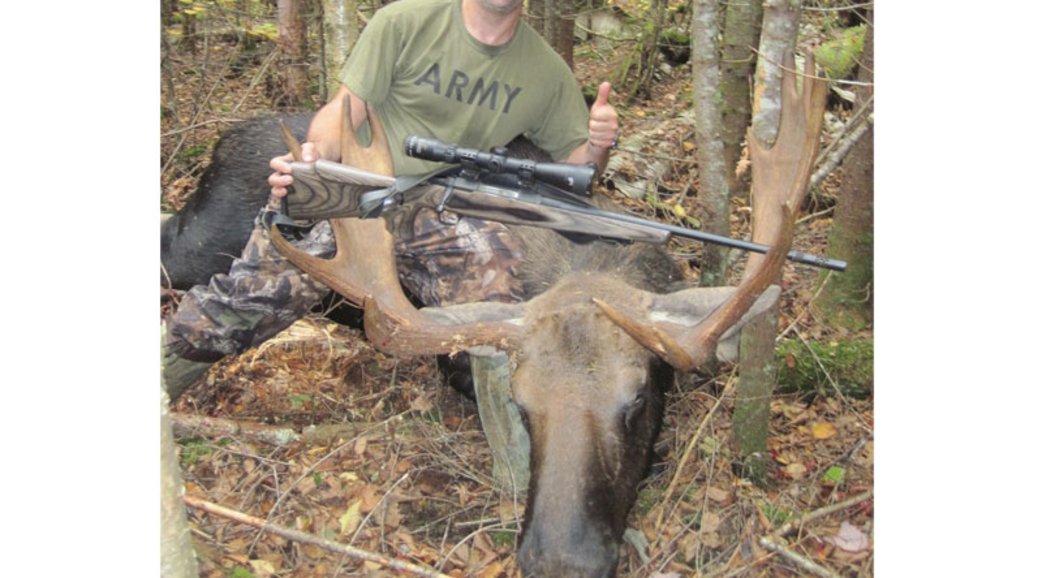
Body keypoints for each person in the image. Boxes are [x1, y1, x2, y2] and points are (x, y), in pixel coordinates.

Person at [162, 0, 619, 399]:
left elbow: (577, 171)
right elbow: (344, 111)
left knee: (494, 318)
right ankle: (161, 373)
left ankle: (507, 425)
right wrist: (313, 159)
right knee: (249, 303)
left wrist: (599, 144)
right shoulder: (405, 23)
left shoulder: (546, 71)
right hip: (360, 188)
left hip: (440, 208)